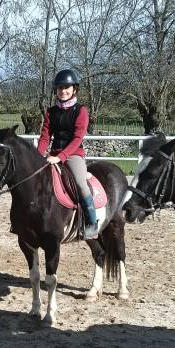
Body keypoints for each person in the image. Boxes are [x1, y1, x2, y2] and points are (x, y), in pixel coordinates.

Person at [37, 68, 98, 239]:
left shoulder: (81, 111)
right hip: (53, 155)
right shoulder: (51, 112)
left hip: (73, 155)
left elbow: (78, 138)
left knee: (80, 183)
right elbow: (45, 136)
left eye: (67, 87)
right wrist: (38, 155)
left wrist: (61, 157)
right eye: (60, 88)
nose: (63, 91)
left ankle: (92, 223)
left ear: (74, 89)